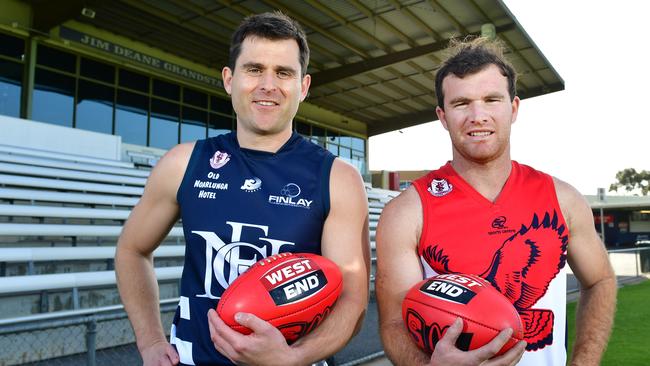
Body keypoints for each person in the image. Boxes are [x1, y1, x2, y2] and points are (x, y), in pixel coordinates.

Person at [115, 12, 370, 366]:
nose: (268, 84)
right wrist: (150, 341)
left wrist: (292, 358)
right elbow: (131, 250)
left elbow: (352, 302)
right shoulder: (184, 163)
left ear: (304, 86)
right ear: (229, 79)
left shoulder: (336, 177)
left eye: (284, 73)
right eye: (254, 69)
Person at [375, 37, 617, 366]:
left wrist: (583, 363)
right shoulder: (407, 211)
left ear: (513, 108)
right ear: (442, 116)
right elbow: (393, 324)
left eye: (491, 99)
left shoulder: (563, 198)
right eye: (461, 103)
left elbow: (600, 279)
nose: (478, 115)